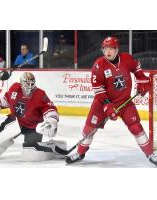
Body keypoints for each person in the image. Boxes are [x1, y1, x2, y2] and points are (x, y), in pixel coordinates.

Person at [66, 36, 157, 166]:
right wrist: (108, 107)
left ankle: (150, 154)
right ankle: (80, 153)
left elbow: (137, 69)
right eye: (105, 49)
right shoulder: (99, 66)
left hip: (124, 102)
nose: (108, 52)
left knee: (136, 127)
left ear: (117, 49)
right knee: (89, 129)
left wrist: (142, 80)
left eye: (111, 49)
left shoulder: (126, 58)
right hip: (102, 103)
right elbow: (99, 90)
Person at [0, 72, 66, 161]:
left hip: (32, 126)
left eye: (31, 83)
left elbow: (50, 109)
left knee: (30, 155)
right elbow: (6, 100)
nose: (29, 86)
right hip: (15, 121)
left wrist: (52, 120)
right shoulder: (14, 88)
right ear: (21, 83)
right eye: (27, 83)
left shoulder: (40, 94)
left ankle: (52, 146)